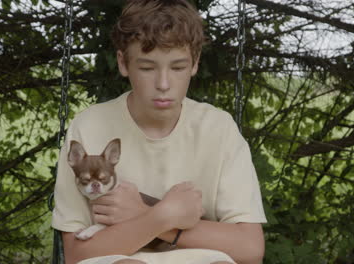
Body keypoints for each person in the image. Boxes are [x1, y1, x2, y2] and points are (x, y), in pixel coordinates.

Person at [52, 0, 267, 263]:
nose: (163, 84)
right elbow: (77, 253)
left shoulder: (219, 129)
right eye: (147, 68)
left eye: (177, 68)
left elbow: (250, 248)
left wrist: (146, 215)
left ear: (195, 63)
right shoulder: (88, 126)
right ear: (123, 63)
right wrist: (161, 216)